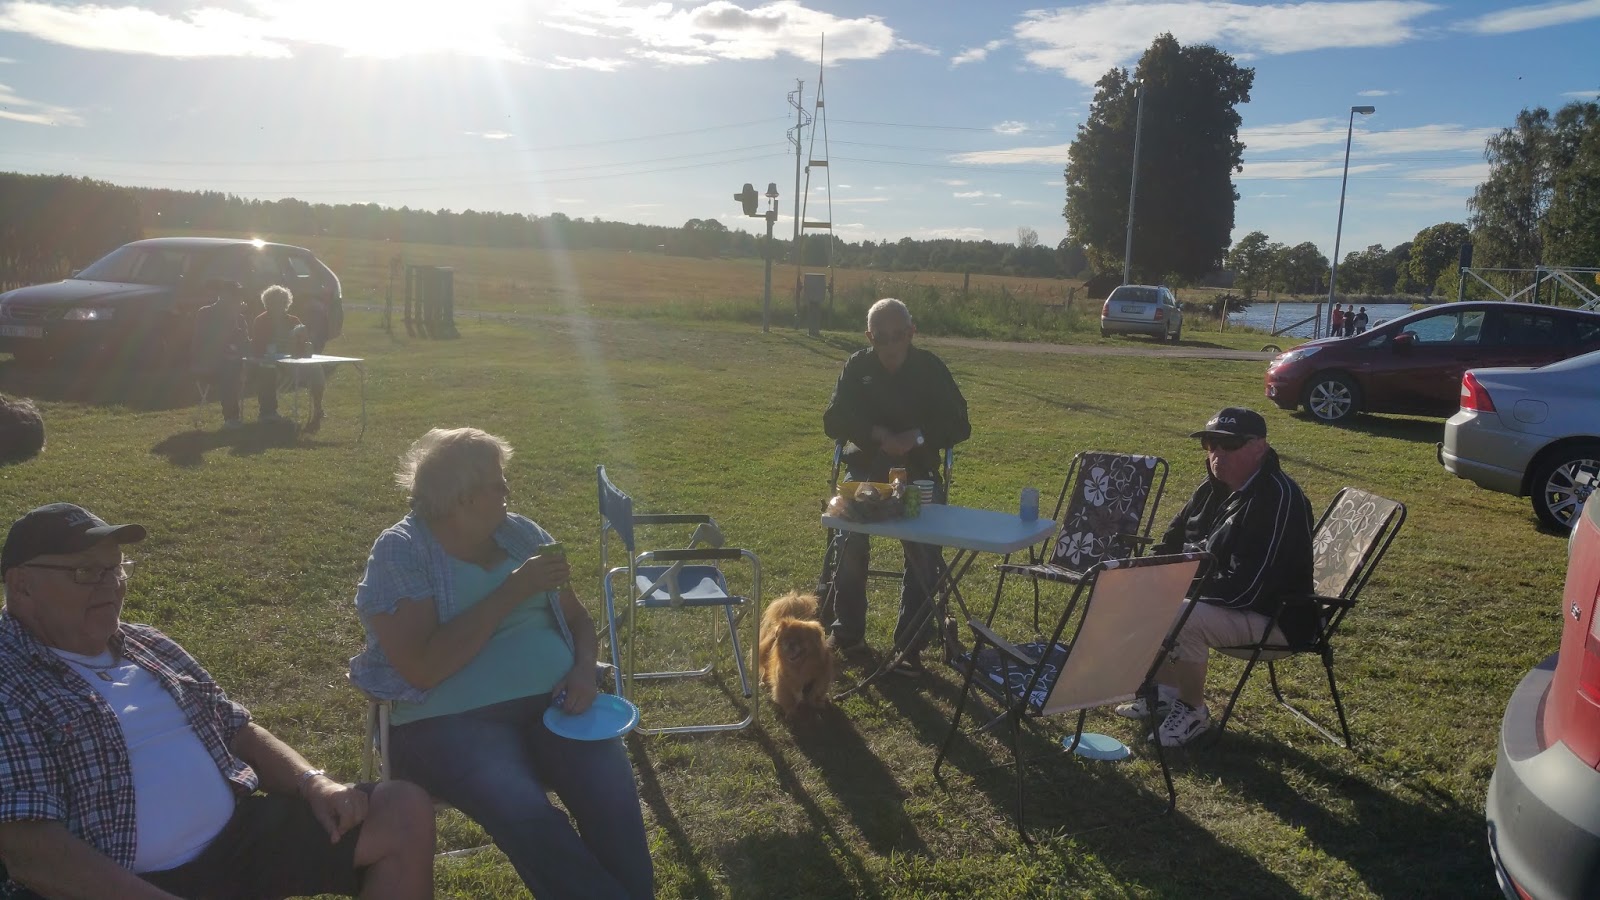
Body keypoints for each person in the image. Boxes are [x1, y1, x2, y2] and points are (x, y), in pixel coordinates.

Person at [0, 503, 435, 900]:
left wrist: (313, 783)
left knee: (401, 810)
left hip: (237, 843)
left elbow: (236, 729)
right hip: (126, 879)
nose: (110, 585)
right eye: (85, 572)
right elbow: (30, 850)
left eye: (116, 568)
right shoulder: (11, 678)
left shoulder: (147, 643)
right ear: (22, 587)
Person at [350, 427, 653, 900]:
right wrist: (512, 590)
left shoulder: (522, 535)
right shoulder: (401, 551)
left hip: (558, 704)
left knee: (612, 794)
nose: (508, 489)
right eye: (498, 483)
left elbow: (577, 618)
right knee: (526, 812)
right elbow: (422, 668)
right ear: (463, 497)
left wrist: (583, 669)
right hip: (448, 721)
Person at [1116, 408, 1315, 747]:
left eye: (1230, 444)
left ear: (1260, 447)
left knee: (1180, 614)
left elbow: (1246, 589)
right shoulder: (1212, 488)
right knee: (1142, 591)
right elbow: (1170, 542)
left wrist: (1175, 586)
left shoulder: (1278, 499)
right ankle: (1165, 692)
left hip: (1276, 617)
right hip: (1227, 601)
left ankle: (1192, 711)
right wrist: (1147, 576)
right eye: (1210, 444)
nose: (1217, 454)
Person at [822, 298, 971, 674]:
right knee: (849, 538)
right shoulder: (857, 367)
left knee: (922, 546)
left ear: (911, 332)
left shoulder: (930, 368)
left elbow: (959, 423)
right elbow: (833, 419)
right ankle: (848, 633)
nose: (890, 345)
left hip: (917, 474)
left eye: (898, 335)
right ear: (869, 336)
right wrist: (877, 434)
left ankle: (910, 644)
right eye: (881, 337)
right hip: (864, 474)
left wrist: (916, 437)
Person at [250, 285, 324, 431]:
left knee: (316, 369)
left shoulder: (294, 320)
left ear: (286, 303)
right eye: (274, 302)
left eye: (282, 302)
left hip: (294, 363)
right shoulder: (261, 321)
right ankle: (268, 412)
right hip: (273, 364)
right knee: (267, 369)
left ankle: (318, 408)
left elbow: (303, 343)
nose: (279, 306)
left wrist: (306, 344)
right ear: (268, 303)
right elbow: (258, 347)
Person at [190, 283, 249, 429]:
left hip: (236, 362)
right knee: (229, 370)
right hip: (207, 364)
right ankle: (231, 418)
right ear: (223, 296)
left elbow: (244, 343)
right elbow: (208, 341)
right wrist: (232, 319)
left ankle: (268, 412)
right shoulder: (205, 313)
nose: (238, 300)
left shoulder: (239, 317)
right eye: (234, 296)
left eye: (238, 297)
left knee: (266, 367)